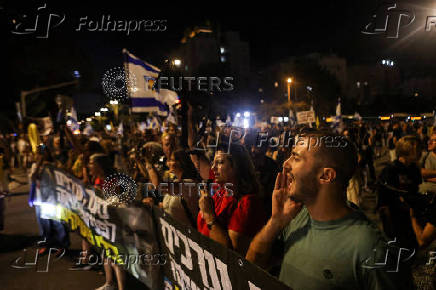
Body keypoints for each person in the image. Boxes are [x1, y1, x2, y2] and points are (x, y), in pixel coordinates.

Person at [246, 131, 412, 290]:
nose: (285, 164)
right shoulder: (296, 215)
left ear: (326, 176)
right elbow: (251, 268)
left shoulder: (370, 248)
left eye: (296, 158)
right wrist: (275, 222)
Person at [197, 143, 266, 256]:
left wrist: (209, 216)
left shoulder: (248, 203)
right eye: (213, 162)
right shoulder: (221, 192)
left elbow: (231, 254)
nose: (213, 167)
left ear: (236, 166)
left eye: (220, 162)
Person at [377, 135, 423, 251]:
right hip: (396, 216)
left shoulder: (414, 168)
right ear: (407, 150)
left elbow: (415, 187)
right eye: (417, 149)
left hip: (411, 214)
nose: (420, 152)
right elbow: (384, 198)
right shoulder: (391, 170)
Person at [89, 154, 126, 290]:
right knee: (105, 253)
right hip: (103, 221)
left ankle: (121, 287)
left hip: (115, 223)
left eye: (91, 163)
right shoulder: (98, 179)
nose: (89, 166)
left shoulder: (112, 181)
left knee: (116, 257)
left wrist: (101, 197)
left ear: (99, 165)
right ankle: (109, 282)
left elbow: (118, 201)